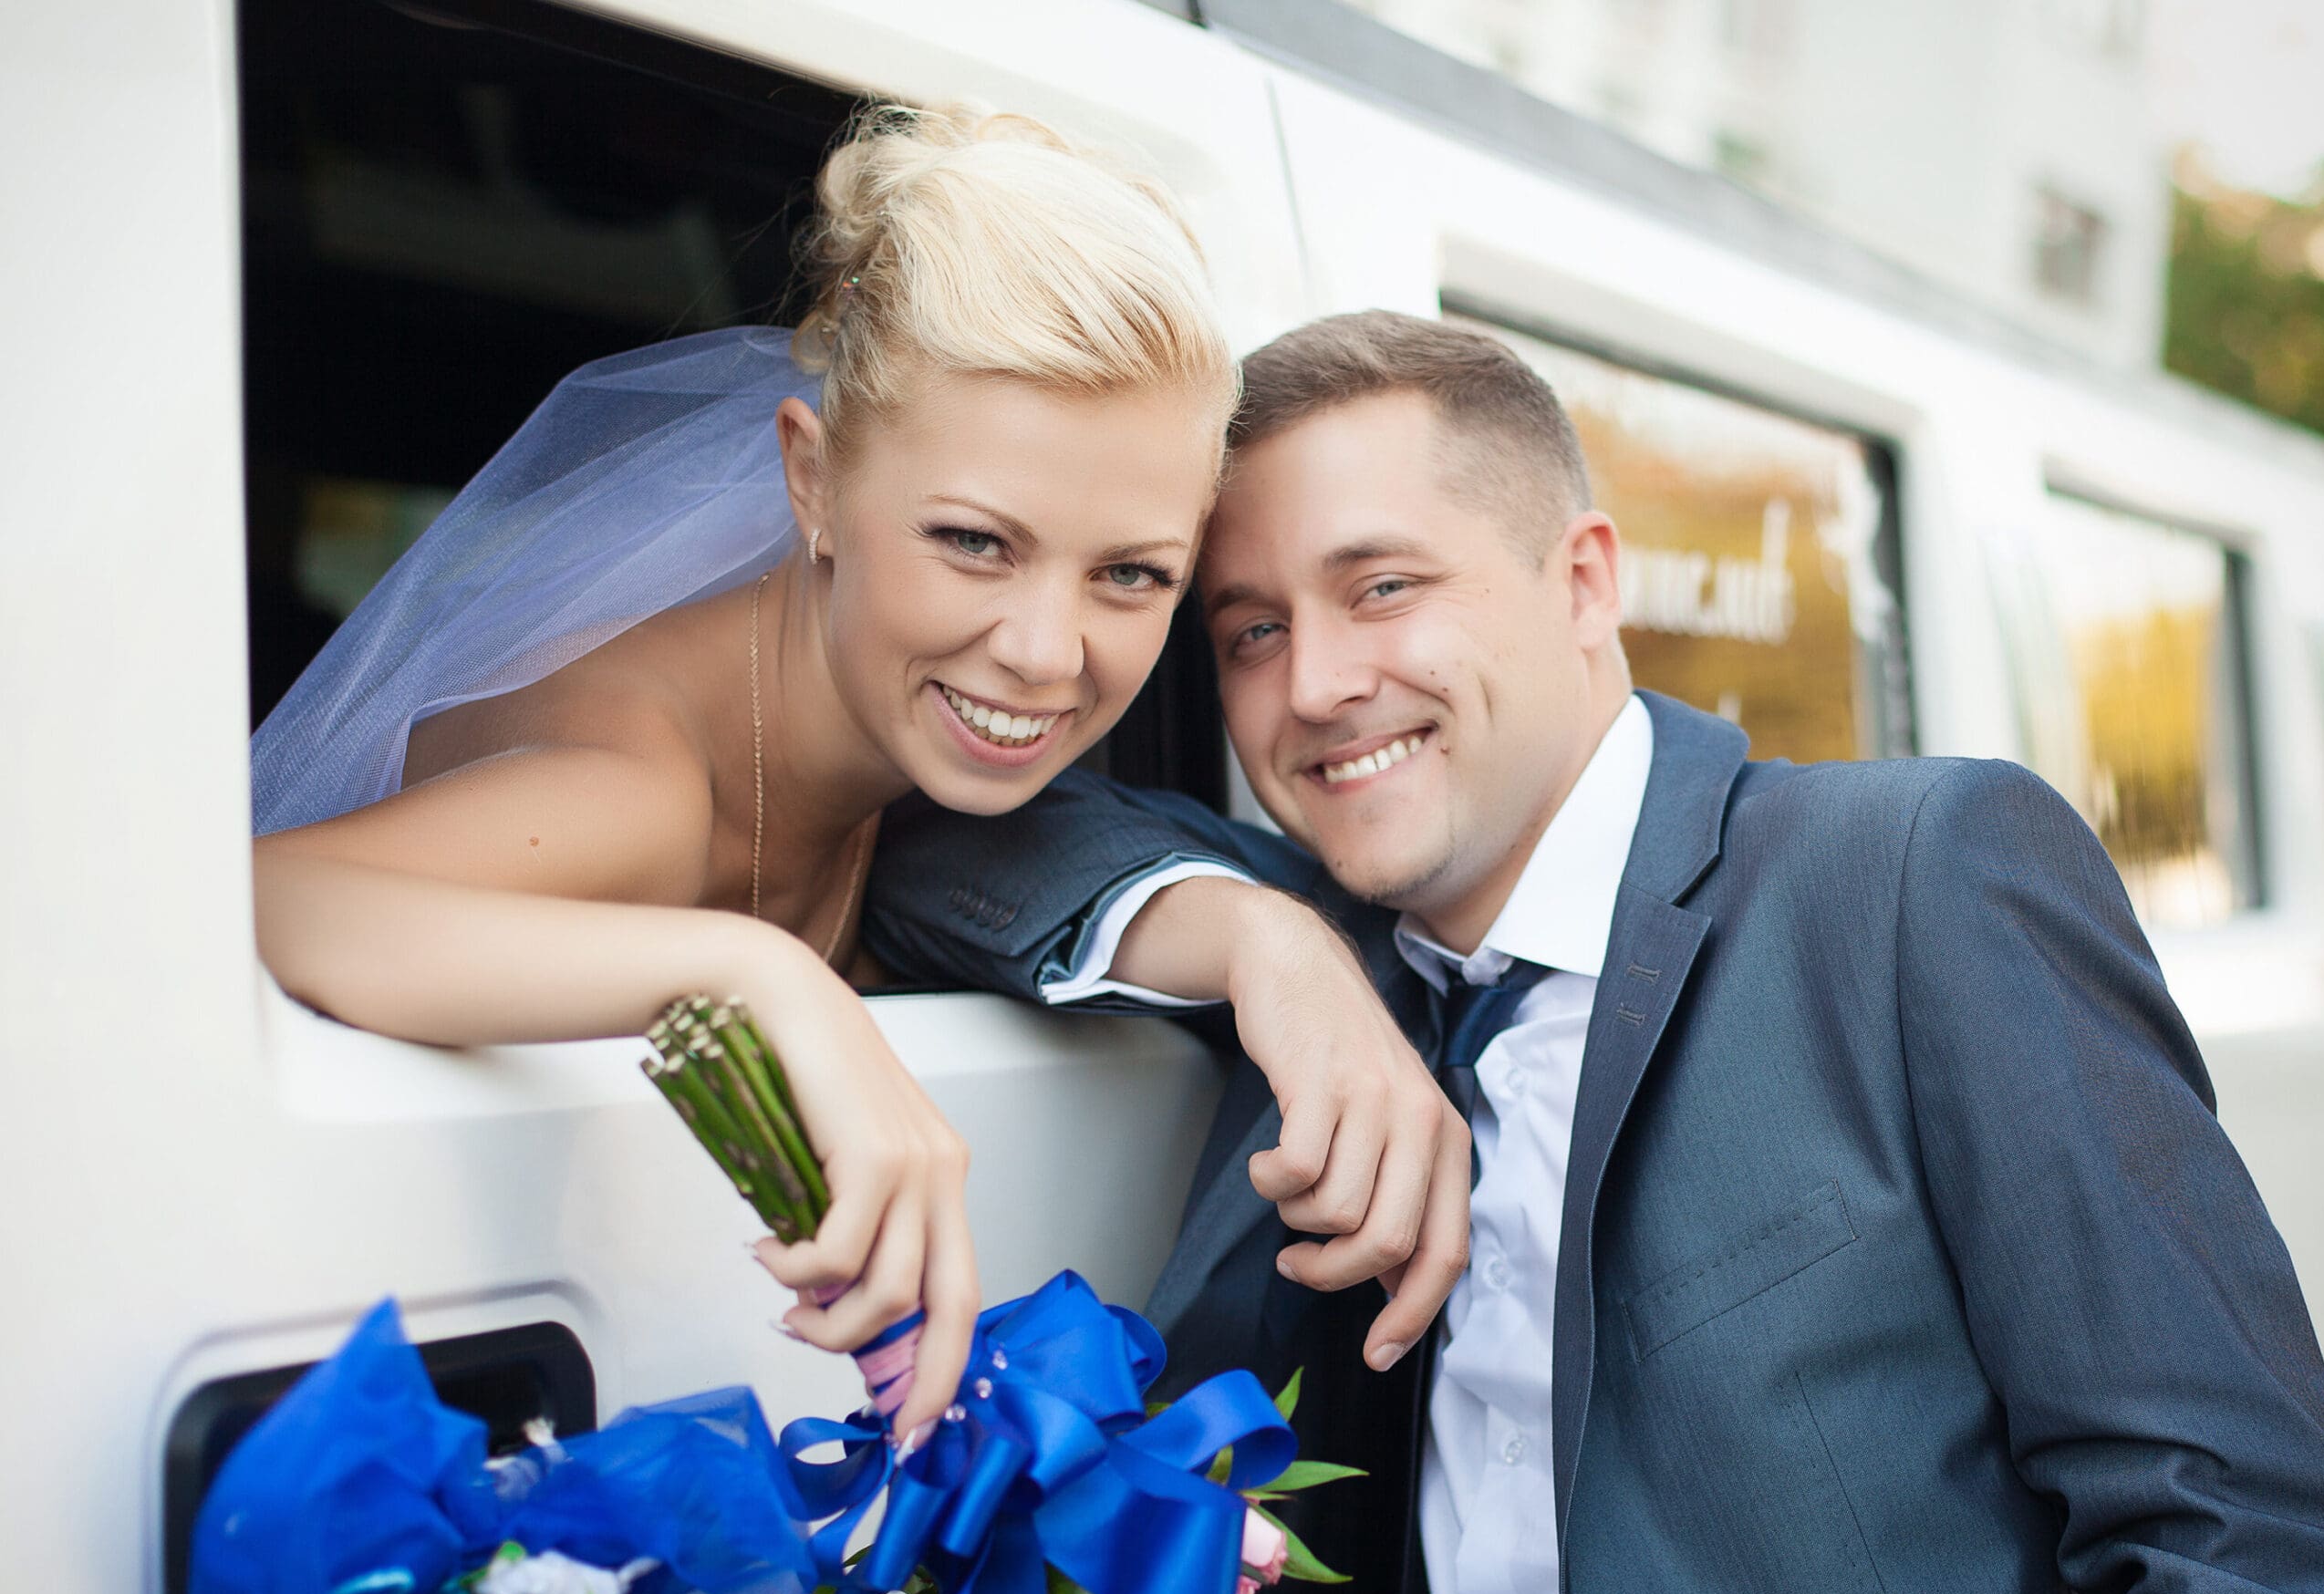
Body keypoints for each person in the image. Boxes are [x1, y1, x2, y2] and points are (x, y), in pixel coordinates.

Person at [866, 312, 2324, 1594]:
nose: (1313, 684)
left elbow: (2249, 1545)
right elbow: (923, 838)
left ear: (1586, 579)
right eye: (1248, 631)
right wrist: (1265, 948)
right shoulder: (1310, 960)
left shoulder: (1900, 884)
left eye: (1384, 587)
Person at [247, 111, 1466, 1443]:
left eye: (1132, 574)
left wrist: (1273, 943)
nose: (1048, 654)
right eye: (974, 543)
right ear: (813, 481)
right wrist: (756, 976)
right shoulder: (638, 788)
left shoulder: (893, 764)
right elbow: (263, 902)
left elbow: (1044, 855)